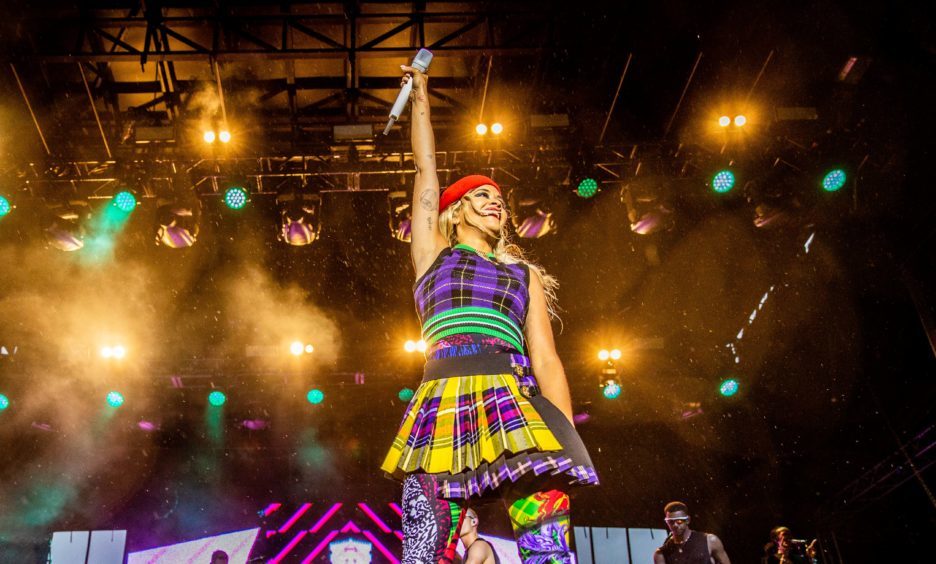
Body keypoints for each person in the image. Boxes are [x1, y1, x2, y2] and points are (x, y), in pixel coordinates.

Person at [380, 61, 598, 564]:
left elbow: (546, 358)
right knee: (424, 546)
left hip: (511, 396)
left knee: (547, 544)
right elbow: (425, 170)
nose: (495, 202)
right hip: (444, 399)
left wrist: (562, 427)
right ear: (455, 211)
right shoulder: (433, 254)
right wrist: (421, 98)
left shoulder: (524, 276)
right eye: (482, 195)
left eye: (499, 198)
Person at [653, 501, 731, 564]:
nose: (675, 525)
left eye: (679, 521)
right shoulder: (661, 554)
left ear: (688, 520)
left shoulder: (710, 541)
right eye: (670, 522)